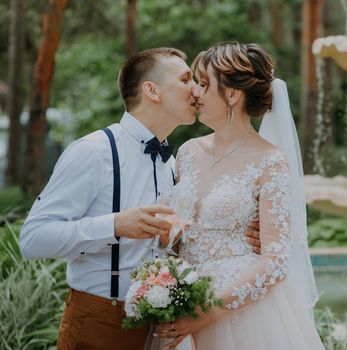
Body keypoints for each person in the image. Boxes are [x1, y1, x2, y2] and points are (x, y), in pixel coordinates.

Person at [19, 47, 260, 350]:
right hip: (100, 322)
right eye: (186, 79)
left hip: (162, 325)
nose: (196, 90)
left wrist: (248, 237)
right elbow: (32, 238)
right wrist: (116, 225)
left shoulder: (176, 165)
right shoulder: (94, 152)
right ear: (152, 90)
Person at [156, 42, 324, 350]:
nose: (195, 92)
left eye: (204, 84)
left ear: (232, 95)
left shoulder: (270, 162)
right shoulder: (188, 153)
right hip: (181, 301)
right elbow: (177, 235)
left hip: (240, 315)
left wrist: (207, 312)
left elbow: (275, 261)